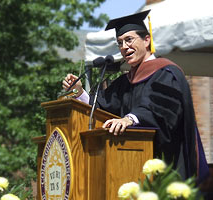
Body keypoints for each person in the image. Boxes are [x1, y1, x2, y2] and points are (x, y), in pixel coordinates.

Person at [62, 10, 209, 183]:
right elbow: (101, 106)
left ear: (147, 40)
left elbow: (162, 112)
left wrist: (130, 119)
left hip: (166, 168)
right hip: (129, 168)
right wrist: (79, 92)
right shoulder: (125, 81)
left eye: (129, 40)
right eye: (119, 43)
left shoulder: (166, 73)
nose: (124, 47)